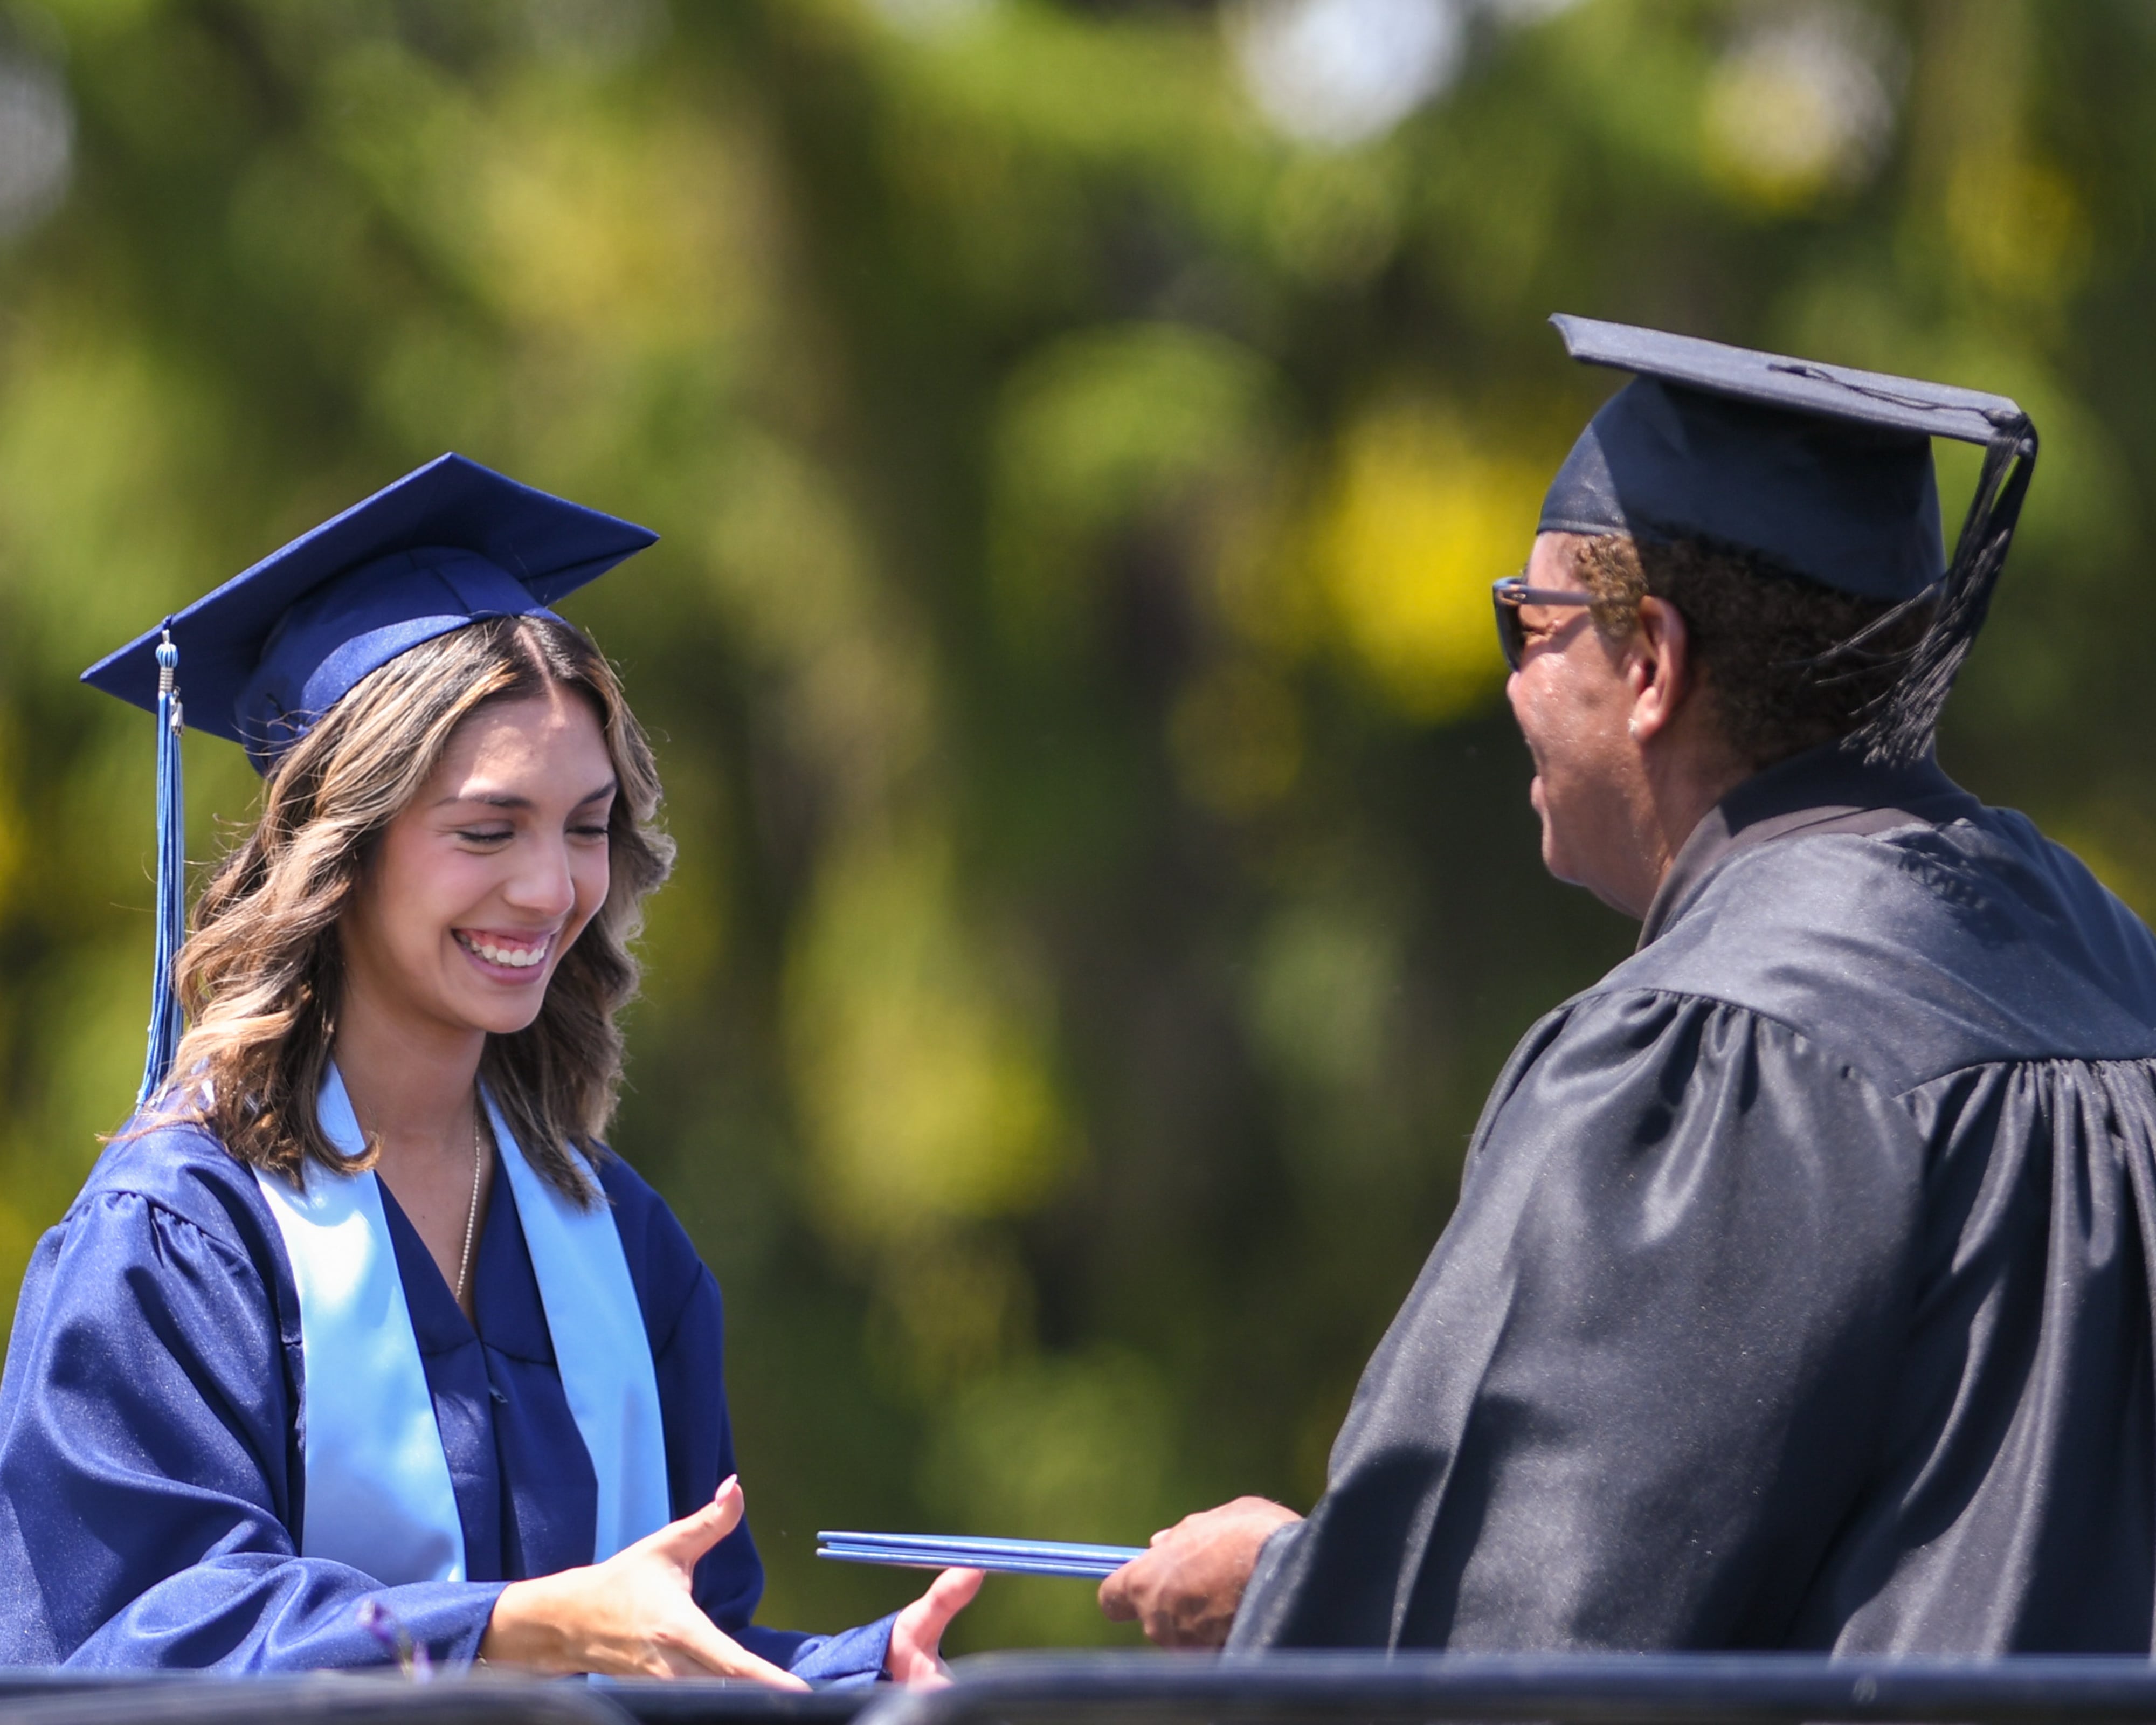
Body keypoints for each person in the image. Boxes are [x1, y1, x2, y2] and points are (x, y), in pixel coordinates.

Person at [1101, 316, 2156, 1654]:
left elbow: (1523, 1647)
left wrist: (1282, 1595)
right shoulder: (2117, 970)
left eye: (1525, 623)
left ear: (1647, 663)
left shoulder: (1725, 1047)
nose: (1509, 681)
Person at [0, 455, 980, 1679]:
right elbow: (130, 1651)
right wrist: (520, 1630)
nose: (550, 887)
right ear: (339, 846)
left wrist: (854, 1674)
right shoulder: (181, 1240)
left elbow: (684, 1648)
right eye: (486, 830)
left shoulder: (620, 1242)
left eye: (584, 826)